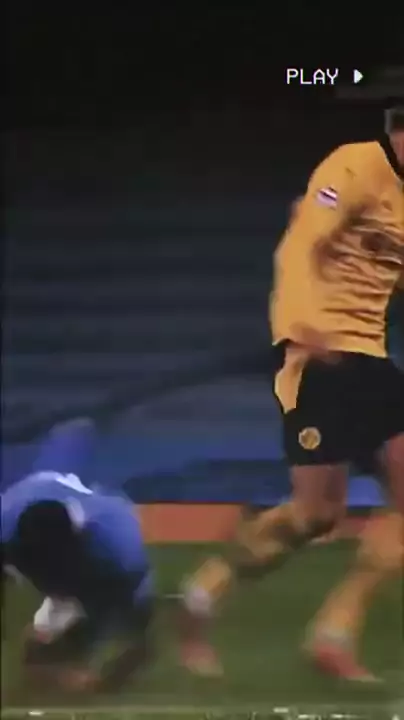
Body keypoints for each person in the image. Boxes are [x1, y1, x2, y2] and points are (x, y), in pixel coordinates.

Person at [178, 106, 404, 681]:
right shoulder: (354, 166)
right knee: (315, 514)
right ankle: (205, 593)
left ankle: (333, 631)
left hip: (371, 357)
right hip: (317, 354)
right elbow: (302, 243)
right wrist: (299, 322)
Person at [2, 461, 153, 694]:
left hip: (98, 566)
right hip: (35, 503)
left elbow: (130, 612)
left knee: (118, 634)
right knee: (40, 655)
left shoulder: (119, 547)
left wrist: (99, 664)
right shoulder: (6, 527)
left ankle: (64, 655)